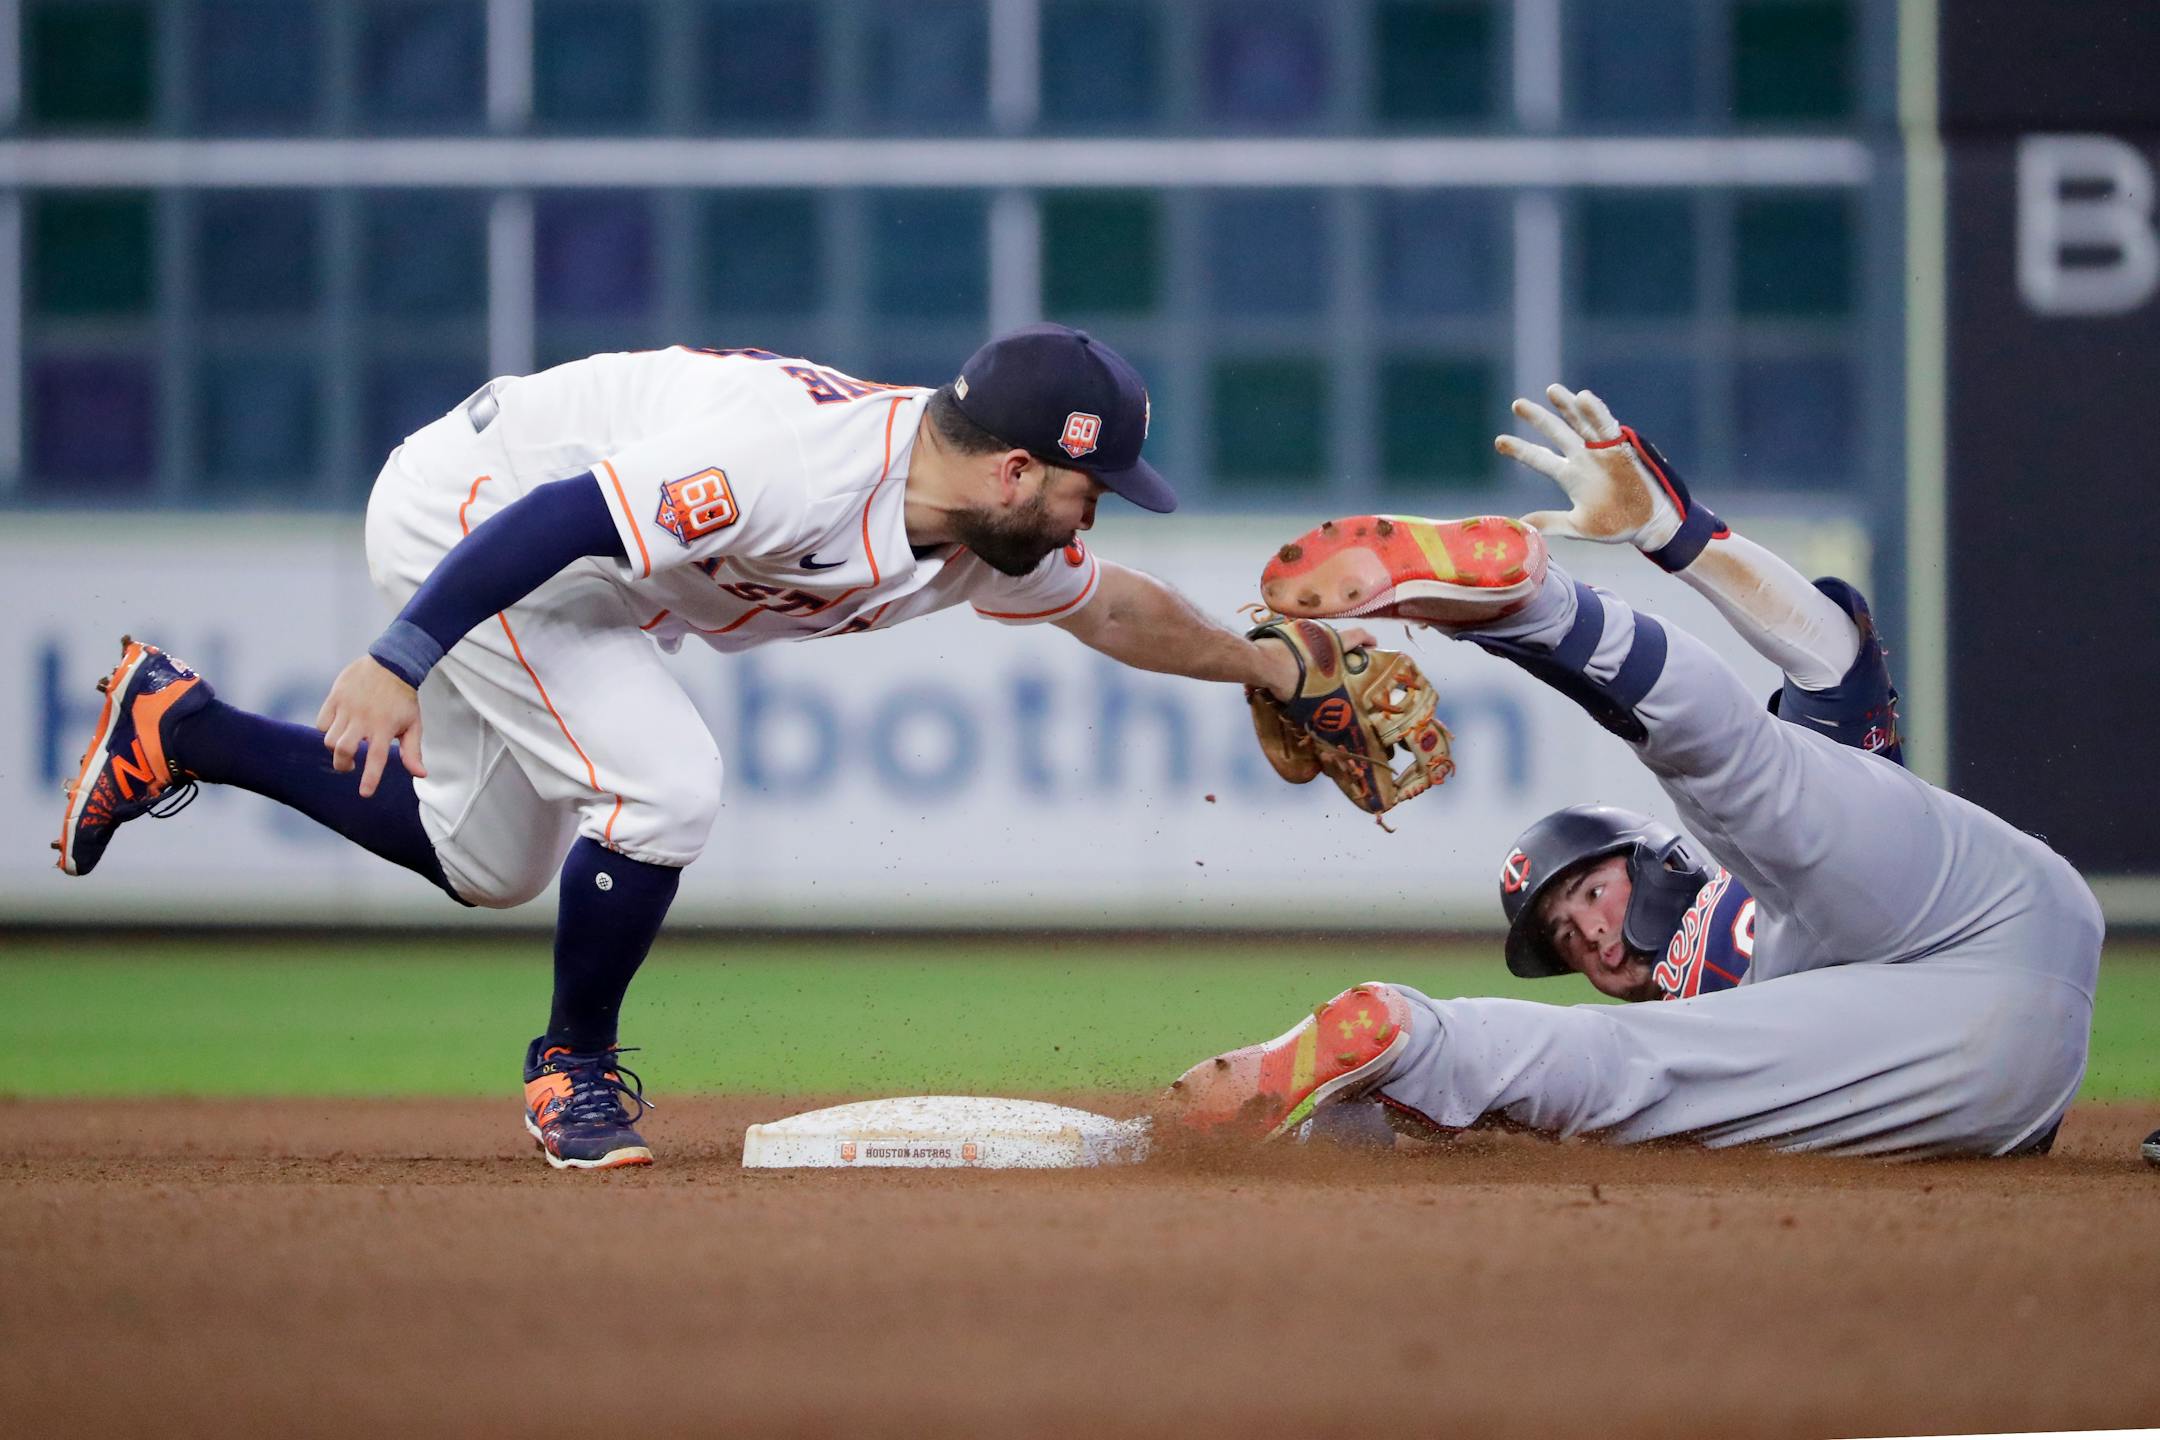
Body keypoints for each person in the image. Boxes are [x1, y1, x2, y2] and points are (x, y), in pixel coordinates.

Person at [57, 325, 1320, 1171]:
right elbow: (564, 514)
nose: (1096, 516)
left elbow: (1110, 606)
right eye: (1091, 490)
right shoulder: (793, 462)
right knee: (664, 788)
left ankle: (180, 727)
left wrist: (1267, 665)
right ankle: (573, 1074)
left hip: (596, 580)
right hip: (479, 514)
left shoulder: (984, 539)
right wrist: (400, 657)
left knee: (487, 863)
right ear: (1013, 470)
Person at [1163, 385, 2102, 1159]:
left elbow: (1829, 658)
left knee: (1745, 779)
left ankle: (1525, 606)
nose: (1596, 942)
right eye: (1569, 943)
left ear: (1656, 856)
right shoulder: (1704, 1033)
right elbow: (1829, 657)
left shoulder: (1749, 877)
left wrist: (1673, 535)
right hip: (1964, 1079)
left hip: (1976, 912)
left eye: (1592, 894)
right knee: (1630, 1059)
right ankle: (1404, 1037)